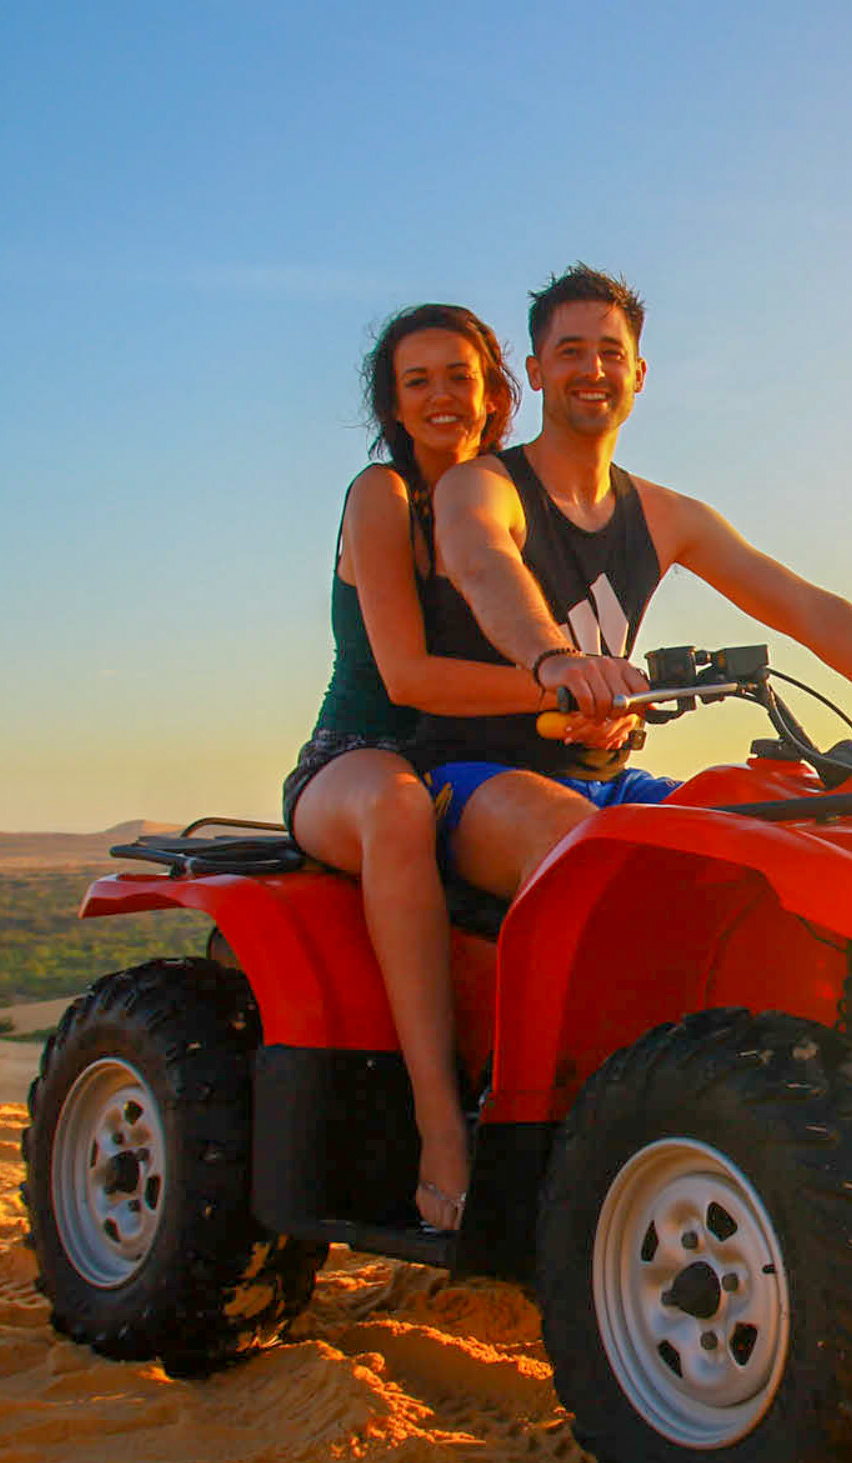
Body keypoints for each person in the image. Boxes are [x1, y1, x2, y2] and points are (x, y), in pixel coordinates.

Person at [416, 264, 852, 900]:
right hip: (475, 776)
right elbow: (483, 562)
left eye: (610, 353)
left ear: (638, 375)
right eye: (570, 353)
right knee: (580, 845)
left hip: (611, 779)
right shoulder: (481, 485)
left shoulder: (665, 514)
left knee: (780, 837)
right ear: (537, 373)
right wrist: (555, 660)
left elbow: (807, 609)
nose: (593, 370)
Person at [282, 304, 535, 1232]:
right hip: (356, 758)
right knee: (396, 810)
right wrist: (556, 690)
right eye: (417, 381)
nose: (441, 397)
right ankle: (440, 1129)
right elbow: (406, 676)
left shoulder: (508, 501)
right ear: (391, 404)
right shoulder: (380, 498)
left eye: (458, 376)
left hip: (467, 759)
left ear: (494, 391)